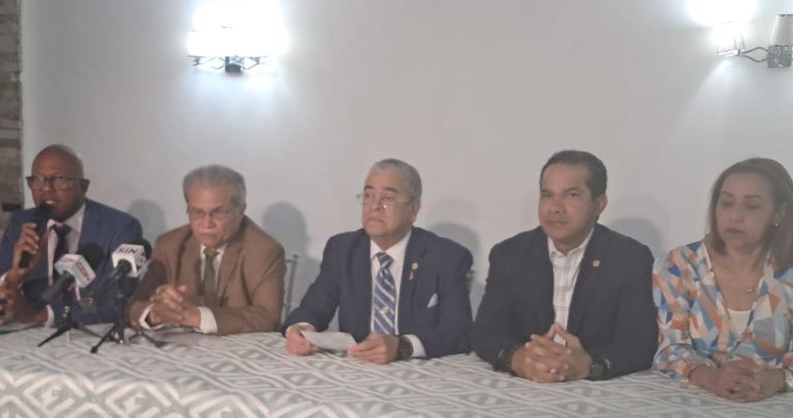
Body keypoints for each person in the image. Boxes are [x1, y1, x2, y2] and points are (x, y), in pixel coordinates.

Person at [471, 150, 657, 382]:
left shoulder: (629, 258)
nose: (555, 208)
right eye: (547, 195)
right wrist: (517, 359)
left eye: (571, 195)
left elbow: (639, 344)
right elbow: (486, 333)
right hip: (525, 385)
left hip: (596, 390)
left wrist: (590, 365)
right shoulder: (509, 255)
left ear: (599, 204)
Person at [654, 158, 793, 400]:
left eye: (751, 206)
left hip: (785, 402)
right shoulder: (678, 265)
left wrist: (777, 380)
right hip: (700, 399)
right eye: (726, 203)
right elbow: (670, 349)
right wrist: (712, 378)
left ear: (779, 213)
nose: (735, 216)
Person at [284, 158, 472, 363]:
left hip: (419, 370)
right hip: (357, 367)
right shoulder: (343, 249)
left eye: (387, 198)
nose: (374, 206)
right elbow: (312, 310)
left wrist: (402, 346)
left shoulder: (445, 257)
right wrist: (300, 328)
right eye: (368, 195)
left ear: (413, 209)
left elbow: (459, 332)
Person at [0, 144, 142, 326]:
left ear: (83, 186)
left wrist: (41, 316)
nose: (46, 188)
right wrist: (15, 275)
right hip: (29, 337)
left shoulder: (120, 227)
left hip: (87, 336)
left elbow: (118, 303)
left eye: (59, 179)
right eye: (37, 179)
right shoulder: (22, 223)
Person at [128, 165, 285, 334]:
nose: (206, 223)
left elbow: (268, 316)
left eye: (218, 213)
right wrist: (154, 313)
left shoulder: (264, 250)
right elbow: (134, 305)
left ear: (240, 211)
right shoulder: (170, 245)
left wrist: (197, 317)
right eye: (197, 212)